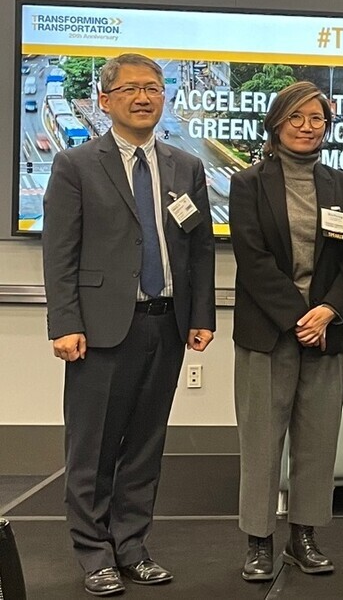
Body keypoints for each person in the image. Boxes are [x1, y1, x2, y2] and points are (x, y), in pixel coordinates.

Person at [43, 53, 216, 597]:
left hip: (166, 325)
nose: (144, 97)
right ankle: (94, 553)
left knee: (145, 444)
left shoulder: (185, 166)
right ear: (105, 99)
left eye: (154, 88)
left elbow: (202, 249)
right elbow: (60, 252)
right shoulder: (75, 164)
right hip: (98, 330)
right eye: (132, 89)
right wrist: (64, 323)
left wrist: (201, 315)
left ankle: (133, 546)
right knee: (91, 447)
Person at [229, 82, 343, 582]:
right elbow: (253, 259)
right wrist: (298, 316)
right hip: (269, 333)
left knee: (318, 440)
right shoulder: (248, 183)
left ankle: (304, 536)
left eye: (318, 119)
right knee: (262, 442)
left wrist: (327, 310)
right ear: (276, 123)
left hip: (327, 332)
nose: (308, 127)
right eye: (297, 118)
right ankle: (259, 541)